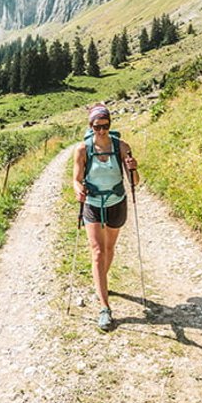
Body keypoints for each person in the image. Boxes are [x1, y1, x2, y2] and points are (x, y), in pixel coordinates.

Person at [73, 103, 139, 331]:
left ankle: (101, 280)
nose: (101, 130)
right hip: (92, 203)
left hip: (116, 202)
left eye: (105, 126)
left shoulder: (122, 146)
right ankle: (104, 307)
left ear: (110, 125)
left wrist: (133, 167)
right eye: (97, 126)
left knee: (110, 248)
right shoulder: (82, 149)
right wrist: (77, 189)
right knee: (98, 251)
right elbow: (76, 178)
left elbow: (135, 181)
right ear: (90, 126)